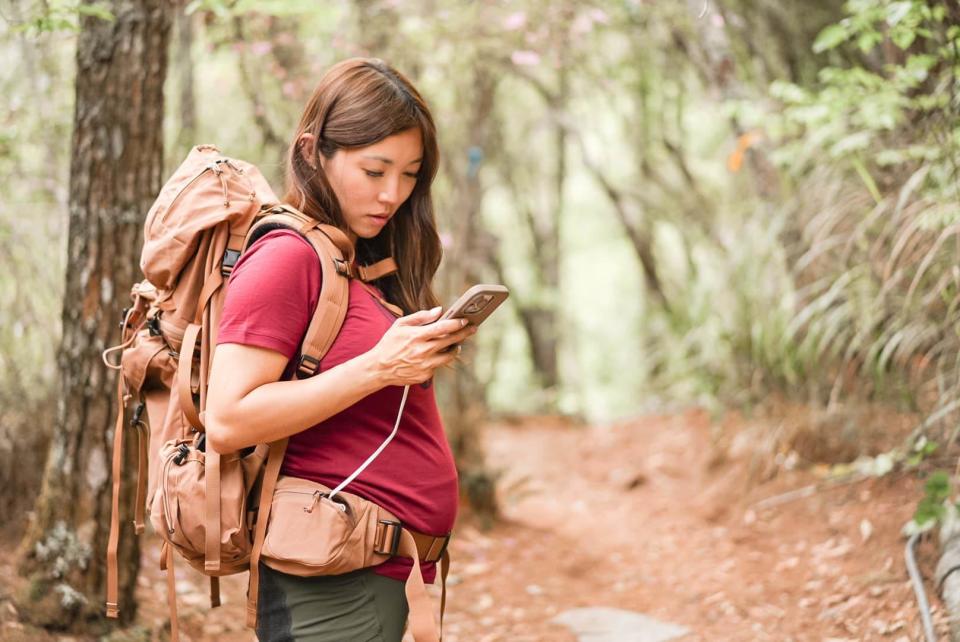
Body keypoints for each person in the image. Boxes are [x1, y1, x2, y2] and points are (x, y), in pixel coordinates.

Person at [205, 58, 475, 642]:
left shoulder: (355, 261)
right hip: (331, 579)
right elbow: (226, 420)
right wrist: (381, 366)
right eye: (375, 169)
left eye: (410, 174)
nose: (393, 194)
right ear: (312, 152)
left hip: (387, 572)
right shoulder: (285, 257)